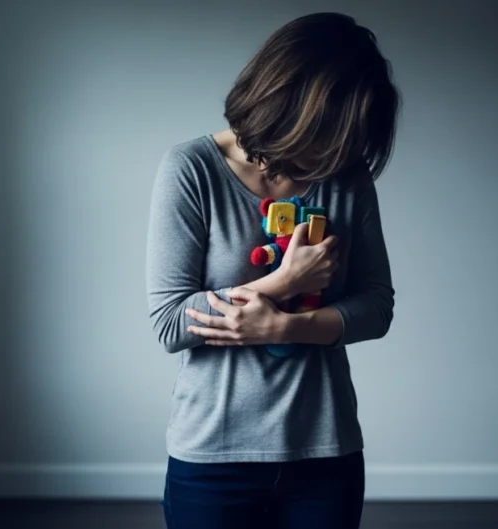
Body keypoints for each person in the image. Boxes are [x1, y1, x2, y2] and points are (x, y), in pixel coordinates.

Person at [145, 12, 400, 529]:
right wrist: (280, 283)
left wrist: (288, 326)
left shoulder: (343, 175)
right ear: (289, 107)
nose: (338, 157)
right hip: (213, 459)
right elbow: (170, 323)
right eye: (329, 138)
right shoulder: (191, 170)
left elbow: (377, 307)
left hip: (326, 457)